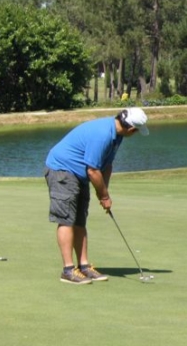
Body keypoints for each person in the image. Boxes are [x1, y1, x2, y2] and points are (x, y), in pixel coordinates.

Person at [44, 107, 149, 284]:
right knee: (66, 219)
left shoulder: (117, 135)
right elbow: (92, 170)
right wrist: (105, 197)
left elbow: (106, 166)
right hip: (62, 169)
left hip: (79, 173)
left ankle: (84, 266)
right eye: (137, 131)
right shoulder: (103, 135)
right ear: (131, 128)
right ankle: (68, 270)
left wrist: (103, 193)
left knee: (79, 220)